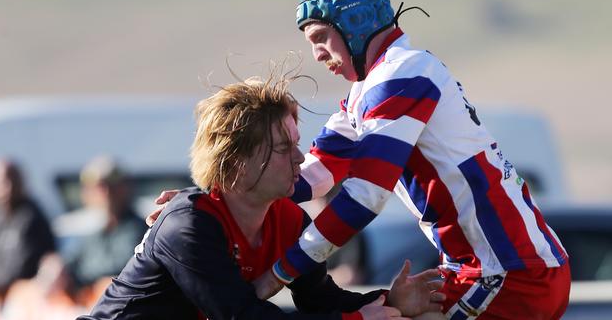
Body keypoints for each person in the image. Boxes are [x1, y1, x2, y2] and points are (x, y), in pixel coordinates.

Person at [148, 0, 571, 319]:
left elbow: (366, 196)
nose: (316, 54)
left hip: (509, 272)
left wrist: (278, 273)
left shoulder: (402, 75)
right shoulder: (368, 91)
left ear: (353, 22)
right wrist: (210, 195)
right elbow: (306, 177)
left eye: (319, 38)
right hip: (497, 267)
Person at [79, 77, 444, 320]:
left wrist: (390, 301)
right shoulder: (188, 225)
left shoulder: (287, 220)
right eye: (284, 148)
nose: (301, 158)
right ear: (235, 162)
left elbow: (322, 302)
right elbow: (241, 317)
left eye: (296, 144)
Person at [0, 158, 56, 298]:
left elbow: (20, 270)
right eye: (1, 183)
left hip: (23, 297)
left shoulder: (31, 217)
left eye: (11, 180)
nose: (7, 188)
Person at [65, 156, 148, 289]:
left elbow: (122, 270)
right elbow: (71, 264)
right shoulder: (87, 229)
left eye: (111, 186)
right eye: (98, 187)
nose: (105, 193)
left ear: (125, 188)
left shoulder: (140, 230)